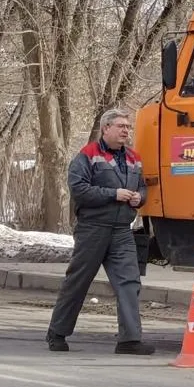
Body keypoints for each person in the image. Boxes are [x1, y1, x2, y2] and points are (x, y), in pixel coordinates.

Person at [46, 108, 155, 354]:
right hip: (92, 229)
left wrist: (140, 198)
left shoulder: (134, 158)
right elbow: (79, 190)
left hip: (121, 231)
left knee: (129, 282)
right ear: (105, 128)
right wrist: (112, 194)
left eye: (128, 127)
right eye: (120, 126)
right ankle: (57, 333)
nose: (126, 130)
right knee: (78, 282)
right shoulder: (87, 156)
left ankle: (129, 340)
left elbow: (143, 188)